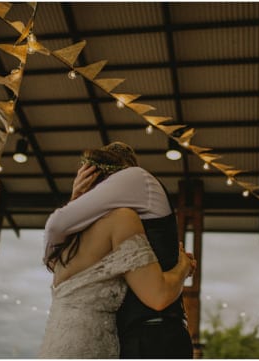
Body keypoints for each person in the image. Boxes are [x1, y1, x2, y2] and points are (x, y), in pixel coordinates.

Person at [39, 147, 196, 358]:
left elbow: (55, 231)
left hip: (58, 344)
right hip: (110, 344)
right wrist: (183, 266)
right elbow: (158, 296)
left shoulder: (68, 243)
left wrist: (75, 200)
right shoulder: (122, 218)